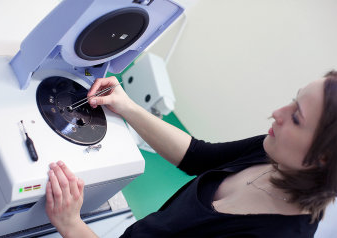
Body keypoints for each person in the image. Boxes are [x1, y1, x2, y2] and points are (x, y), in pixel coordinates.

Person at [46, 71, 337, 237]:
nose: (277, 113)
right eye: (292, 101)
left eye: (297, 117)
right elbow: (198, 156)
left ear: (323, 157)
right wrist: (127, 106)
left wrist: (71, 225)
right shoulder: (272, 152)